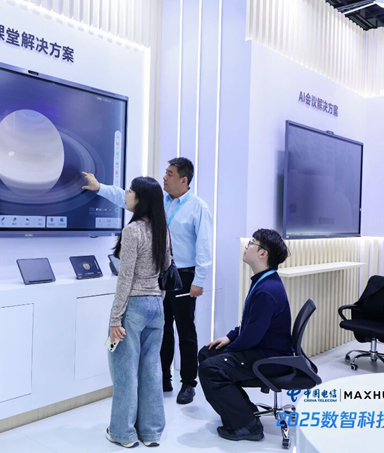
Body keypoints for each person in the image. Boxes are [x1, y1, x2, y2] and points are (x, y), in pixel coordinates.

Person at [83, 157, 212, 405]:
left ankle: (188, 383)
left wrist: (199, 280)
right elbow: (125, 196)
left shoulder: (198, 207)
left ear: (184, 180)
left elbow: (204, 247)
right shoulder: (159, 200)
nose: (164, 177)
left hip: (184, 275)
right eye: (165, 172)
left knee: (185, 329)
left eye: (170, 174)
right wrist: (99, 187)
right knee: (162, 328)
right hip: (158, 273)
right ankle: (163, 377)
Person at [197, 228, 293, 442]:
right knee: (207, 353)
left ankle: (247, 426)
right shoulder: (264, 281)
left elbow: (251, 337)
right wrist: (230, 337)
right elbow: (250, 324)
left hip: (269, 358)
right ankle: (243, 411)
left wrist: (227, 352)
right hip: (263, 348)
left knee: (210, 367)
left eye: (251, 243)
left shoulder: (266, 290)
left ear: (263, 254)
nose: (246, 246)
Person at [105, 176, 171, 449]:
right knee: (152, 370)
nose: (127, 194)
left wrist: (114, 318)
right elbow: (165, 268)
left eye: (130, 190)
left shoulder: (132, 231)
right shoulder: (162, 229)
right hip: (156, 306)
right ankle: (151, 432)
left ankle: (123, 433)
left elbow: (125, 278)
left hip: (133, 306)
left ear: (141, 199)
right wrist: (157, 298)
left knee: (125, 372)